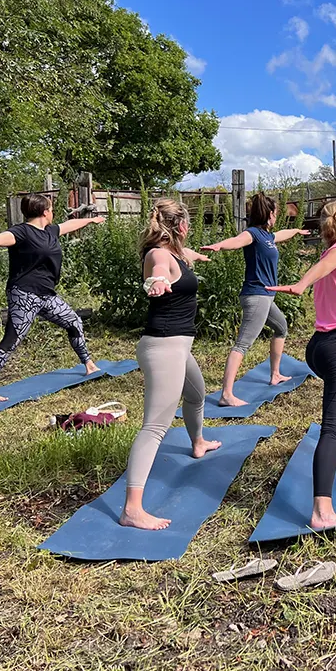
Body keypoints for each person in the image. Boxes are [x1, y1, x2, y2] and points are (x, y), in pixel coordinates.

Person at [269, 201, 336, 530]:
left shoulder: (333, 254)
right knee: (330, 426)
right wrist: (301, 283)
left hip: (320, 347)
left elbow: (328, 264)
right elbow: (331, 260)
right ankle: (321, 512)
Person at [121, 199, 221, 530]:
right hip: (164, 347)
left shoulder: (176, 252)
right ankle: (132, 509)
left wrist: (199, 255)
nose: (189, 228)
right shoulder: (159, 255)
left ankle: (197, 442)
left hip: (178, 347)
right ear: (179, 225)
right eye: (187, 223)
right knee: (155, 426)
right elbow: (160, 270)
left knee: (196, 394)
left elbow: (182, 258)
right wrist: (158, 281)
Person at [0, 194, 104, 403]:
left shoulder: (51, 231)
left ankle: (89, 364)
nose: (53, 212)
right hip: (24, 295)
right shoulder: (21, 233)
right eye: (51, 208)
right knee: (12, 340)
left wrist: (90, 220)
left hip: (46, 295)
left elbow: (70, 224)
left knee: (74, 322)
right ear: (44, 212)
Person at [201, 194, 310, 406]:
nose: (277, 217)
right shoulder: (253, 234)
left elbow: (281, 235)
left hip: (266, 297)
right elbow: (237, 241)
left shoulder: (267, 236)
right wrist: (220, 245)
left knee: (281, 328)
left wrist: (296, 231)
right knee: (242, 344)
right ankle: (226, 394)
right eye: (276, 213)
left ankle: (275, 374)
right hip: (256, 296)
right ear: (269, 214)